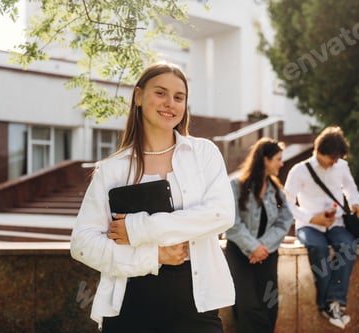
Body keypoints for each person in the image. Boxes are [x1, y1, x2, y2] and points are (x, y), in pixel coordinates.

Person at [70, 62, 236, 333]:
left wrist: (137, 228)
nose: (170, 103)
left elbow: (221, 214)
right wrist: (154, 255)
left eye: (179, 97)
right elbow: (82, 244)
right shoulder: (112, 169)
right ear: (138, 96)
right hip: (129, 307)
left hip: (196, 307)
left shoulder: (203, 154)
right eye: (160, 93)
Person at [284, 126, 359, 330]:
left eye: (338, 158)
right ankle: (329, 305)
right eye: (332, 158)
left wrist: (355, 203)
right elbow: (287, 203)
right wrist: (312, 218)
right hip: (309, 226)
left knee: (347, 246)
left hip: (336, 223)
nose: (334, 162)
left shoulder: (342, 167)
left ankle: (334, 302)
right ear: (319, 151)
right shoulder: (299, 171)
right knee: (318, 248)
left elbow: (351, 189)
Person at [224, 137, 294, 333]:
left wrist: (262, 246)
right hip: (239, 253)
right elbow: (231, 221)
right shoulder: (236, 185)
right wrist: (252, 247)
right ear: (265, 159)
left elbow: (285, 221)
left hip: (267, 254)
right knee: (247, 304)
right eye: (278, 159)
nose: (281, 163)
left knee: (269, 305)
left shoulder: (277, 192)